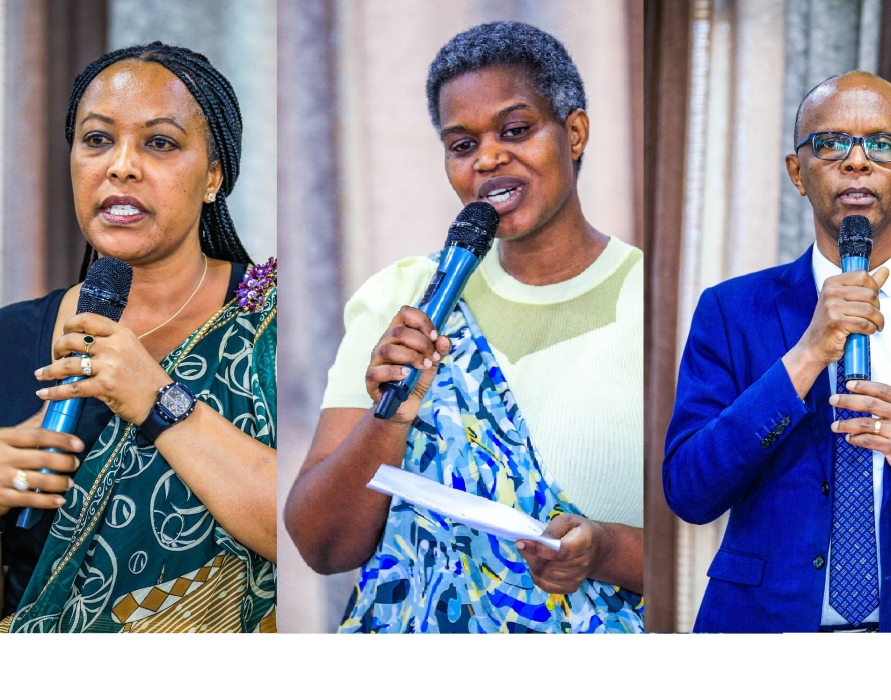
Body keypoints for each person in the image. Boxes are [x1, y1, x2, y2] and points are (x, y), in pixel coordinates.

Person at [284, 22, 644, 633]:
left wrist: (603, 549)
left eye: (516, 130)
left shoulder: (659, 302)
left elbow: (712, 542)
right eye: (461, 144)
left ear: (575, 133)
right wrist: (389, 417)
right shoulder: (402, 297)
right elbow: (323, 548)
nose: (488, 158)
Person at [663, 72, 891, 633]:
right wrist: (804, 356)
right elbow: (689, 491)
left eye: (882, 143)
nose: (857, 161)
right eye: (831, 143)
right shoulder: (731, 311)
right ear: (796, 172)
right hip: (762, 631)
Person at [0, 42, 276, 633]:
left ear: (213, 176)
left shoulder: (278, 327)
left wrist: (156, 398)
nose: (120, 166)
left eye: (160, 143)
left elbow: (319, 530)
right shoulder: (10, 338)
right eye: (97, 139)